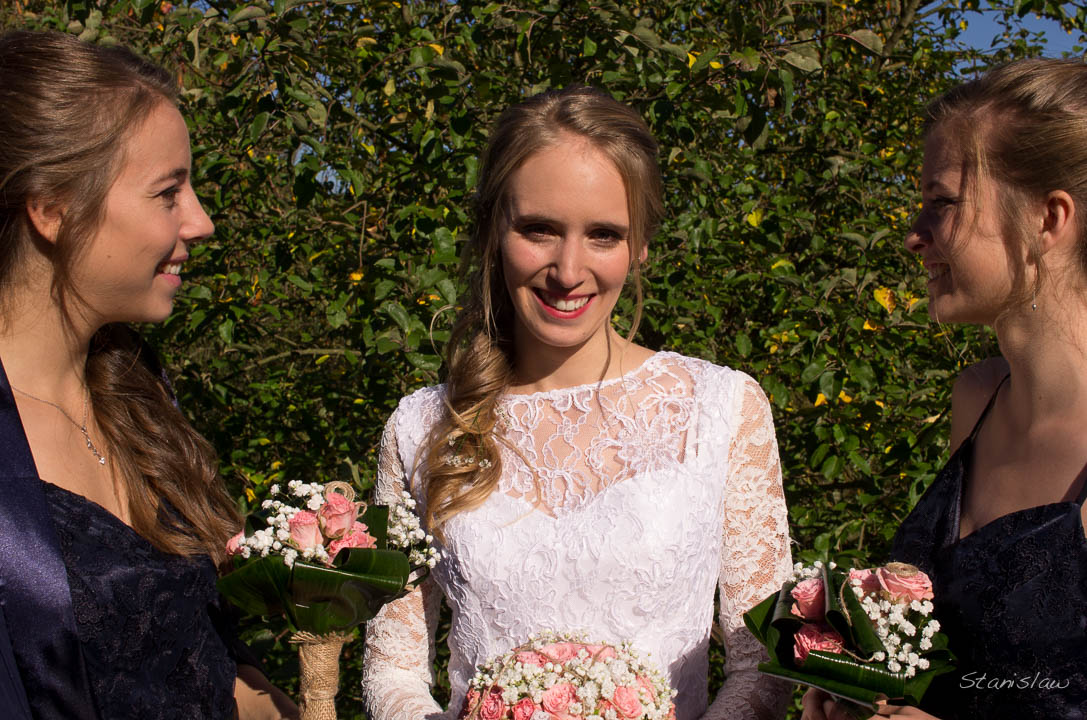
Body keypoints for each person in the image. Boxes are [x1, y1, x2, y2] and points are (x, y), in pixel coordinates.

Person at [361, 85, 793, 720]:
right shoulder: (422, 428)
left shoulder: (722, 410)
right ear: (493, 233)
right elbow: (393, 667)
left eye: (603, 235)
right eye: (539, 230)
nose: (568, 269)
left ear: (639, 245)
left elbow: (762, 663)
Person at [0, 30, 295, 719]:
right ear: (52, 208)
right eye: (168, 193)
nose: (202, 222)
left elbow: (196, 654)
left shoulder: (134, 388)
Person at [802, 58, 1087, 720]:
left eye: (943, 204)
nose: (914, 236)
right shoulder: (977, 398)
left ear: (1048, 219)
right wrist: (862, 680)